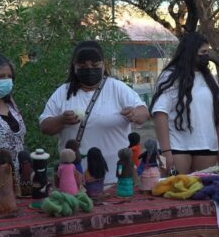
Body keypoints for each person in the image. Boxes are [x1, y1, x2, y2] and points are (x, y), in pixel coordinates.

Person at [38, 41, 149, 185]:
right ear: (74, 66)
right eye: (83, 67)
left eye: (95, 66)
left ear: (103, 65)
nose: (89, 70)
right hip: (74, 180)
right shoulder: (63, 92)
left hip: (116, 178)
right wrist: (61, 120)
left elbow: (143, 113)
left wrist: (134, 113)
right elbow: (45, 126)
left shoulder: (118, 88)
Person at [150, 32, 219, 173]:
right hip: (177, 147)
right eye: (203, 52)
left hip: (207, 146)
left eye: (207, 52)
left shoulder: (210, 78)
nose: (207, 56)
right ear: (190, 53)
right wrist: (165, 150)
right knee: (174, 191)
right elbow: (160, 114)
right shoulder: (169, 76)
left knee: (203, 192)